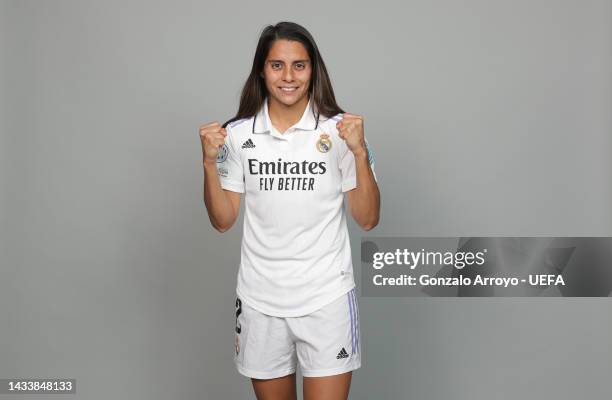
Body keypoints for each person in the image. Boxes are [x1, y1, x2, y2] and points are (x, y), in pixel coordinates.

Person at [199, 21, 380, 400]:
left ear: (313, 70)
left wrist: (360, 154)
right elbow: (222, 220)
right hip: (260, 299)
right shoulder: (237, 135)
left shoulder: (341, 132)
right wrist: (208, 164)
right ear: (262, 71)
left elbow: (367, 218)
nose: (288, 76)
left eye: (299, 65)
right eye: (277, 65)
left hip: (326, 296)